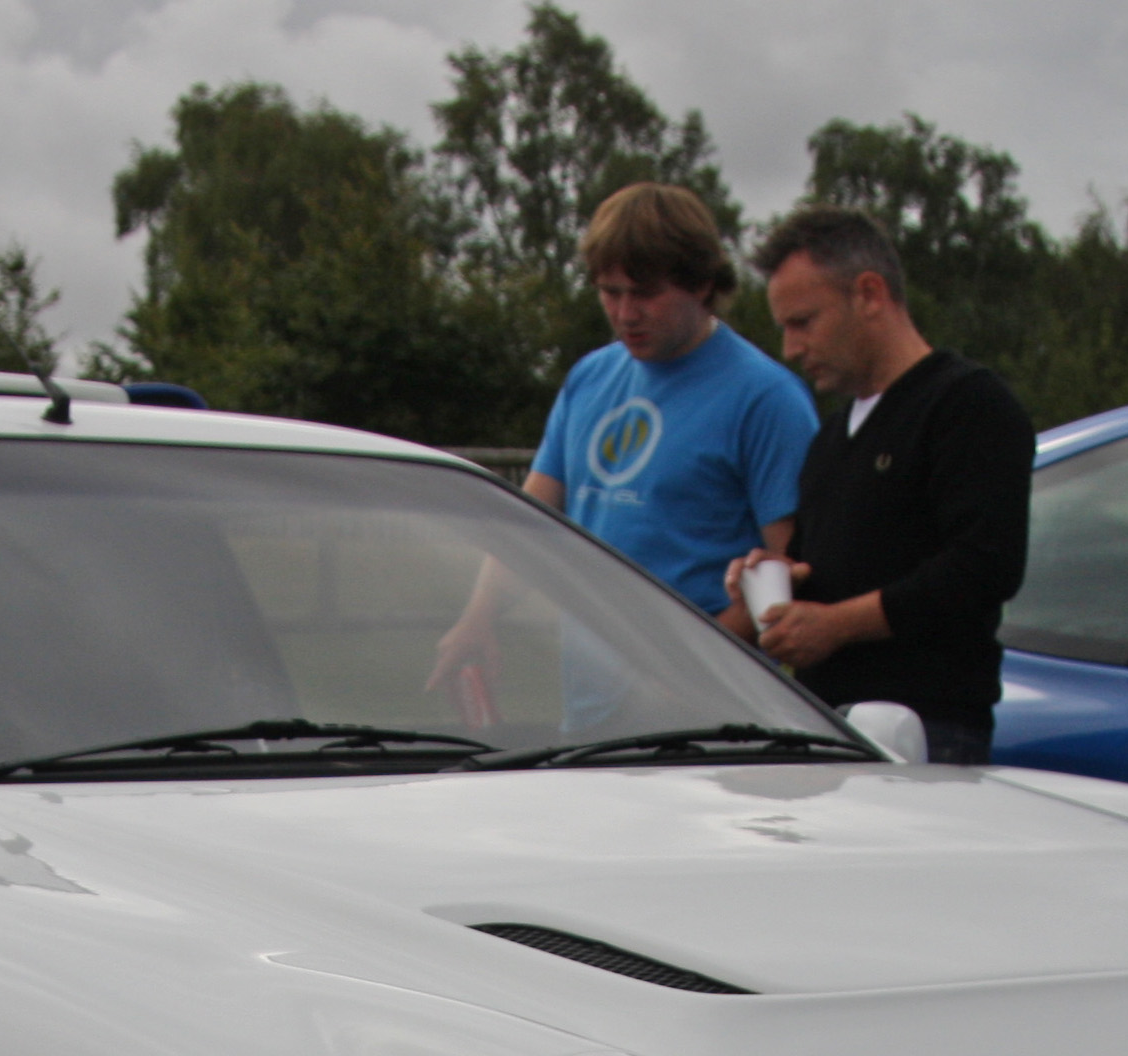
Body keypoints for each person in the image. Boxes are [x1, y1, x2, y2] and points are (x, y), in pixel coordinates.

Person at [430, 183, 816, 718]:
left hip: (712, 726)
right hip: (592, 719)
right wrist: (477, 620)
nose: (625, 313)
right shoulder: (590, 378)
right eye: (610, 292)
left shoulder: (766, 398)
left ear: (702, 284)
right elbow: (532, 523)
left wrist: (686, 677)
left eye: (645, 294)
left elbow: (789, 570)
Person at [726, 206, 1034, 765]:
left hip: (929, 736)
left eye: (804, 322)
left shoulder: (967, 404)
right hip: (827, 729)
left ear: (869, 294)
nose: (790, 349)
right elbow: (817, 566)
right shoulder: (831, 438)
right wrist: (767, 583)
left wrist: (837, 626)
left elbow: (985, 566)